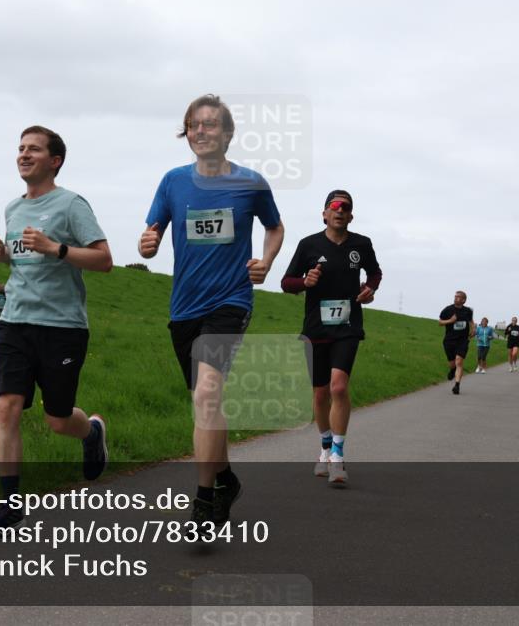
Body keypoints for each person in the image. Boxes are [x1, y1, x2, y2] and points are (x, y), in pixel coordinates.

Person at [139, 94, 284, 527]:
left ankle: (203, 502)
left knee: (206, 394)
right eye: (194, 125)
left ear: (228, 133)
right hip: (184, 306)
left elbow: (275, 227)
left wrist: (267, 261)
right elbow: (151, 231)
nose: (201, 132)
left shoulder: (250, 183)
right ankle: (225, 478)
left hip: (230, 301)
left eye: (210, 125)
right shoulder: (172, 181)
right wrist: (146, 243)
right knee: (205, 404)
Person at [0, 125, 113, 528]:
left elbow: (104, 259)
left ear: (54, 161)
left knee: (58, 420)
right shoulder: (12, 209)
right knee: (7, 407)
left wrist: (55, 248)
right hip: (15, 322)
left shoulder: (72, 205)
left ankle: (91, 433)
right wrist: (4, 255)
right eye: (20, 148)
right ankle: (9, 504)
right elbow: (26, 263)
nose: (23, 154)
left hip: (62, 327)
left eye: (34, 149)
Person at [281, 191, 381, 485]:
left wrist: (369, 289)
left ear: (351, 215)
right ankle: (325, 445)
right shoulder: (308, 245)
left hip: (348, 325)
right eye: (334, 206)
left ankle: (337, 456)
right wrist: (304, 281)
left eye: (345, 207)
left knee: (339, 387)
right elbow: (286, 282)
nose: (339, 210)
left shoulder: (361, 244)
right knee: (320, 393)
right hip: (316, 328)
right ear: (324, 214)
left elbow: (375, 273)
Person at [439, 291, 475, 395]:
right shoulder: (448, 309)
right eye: (455, 296)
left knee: (459, 361)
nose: (456, 298)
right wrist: (450, 321)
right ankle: (452, 369)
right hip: (449, 340)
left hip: (463, 340)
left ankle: (457, 385)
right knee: (452, 364)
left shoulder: (468, 311)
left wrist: (473, 329)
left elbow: (471, 321)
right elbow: (440, 322)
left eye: (458, 297)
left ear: (464, 300)